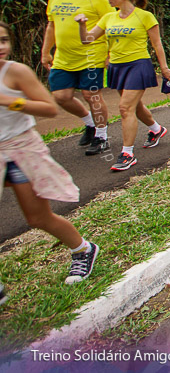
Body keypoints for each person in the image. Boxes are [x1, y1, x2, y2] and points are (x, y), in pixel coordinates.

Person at [0, 21, 100, 291]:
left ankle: (83, 249)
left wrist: (10, 101)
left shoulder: (16, 72)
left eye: (3, 40)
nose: (1, 47)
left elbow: (49, 108)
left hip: (19, 151)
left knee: (37, 218)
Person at [76, 0, 170, 172]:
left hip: (138, 65)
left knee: (124, 107)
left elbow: (157, 44)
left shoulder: (145, 16)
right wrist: (81, 25)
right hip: (117, 67)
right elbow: (86, 39)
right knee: (134, 106)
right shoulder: (108, 18)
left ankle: (127, 153)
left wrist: (164, 68)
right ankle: (156, 129)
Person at [42, 0, 115, 156]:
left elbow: (111, 23)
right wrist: (45, 51)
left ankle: (101, 136)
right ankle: (90, 123)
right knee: (61, 96)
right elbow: (52, 25)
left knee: (91, 95)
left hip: (91, 56)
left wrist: (110, 53)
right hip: (63, 57)